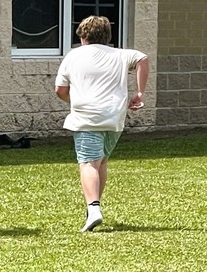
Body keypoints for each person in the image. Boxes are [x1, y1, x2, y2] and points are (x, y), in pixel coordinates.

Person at [55, 15, 149, 232]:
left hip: (87, 117)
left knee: (88, 163)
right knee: (101, 162)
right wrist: (140, 93)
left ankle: (94, 208)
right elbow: (142, 59)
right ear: (107, 36)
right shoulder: (120, 55)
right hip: (114, 117)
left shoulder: (74, 56)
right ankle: (93, 207)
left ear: (83, 36)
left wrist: (73, 100)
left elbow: (60, 90)